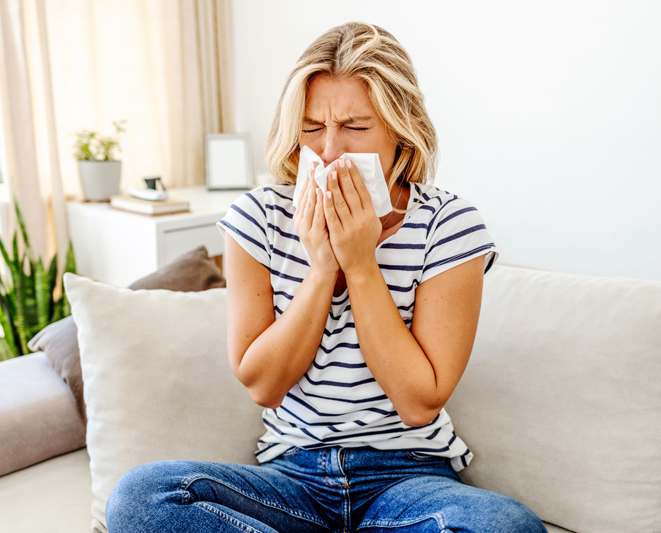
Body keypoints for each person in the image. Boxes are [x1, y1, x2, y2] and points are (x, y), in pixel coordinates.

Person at [106, 22, 546, 533]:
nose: (330, 150)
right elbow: (263, 385)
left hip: (407, 478)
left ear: (400, 128)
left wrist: (360, 264)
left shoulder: (448, 226)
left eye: (355, 127)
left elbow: (419, 401)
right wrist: (322, 268)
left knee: (507, 527)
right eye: (313, 127)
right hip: (291, 477)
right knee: (141, 498)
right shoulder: (260, 218)